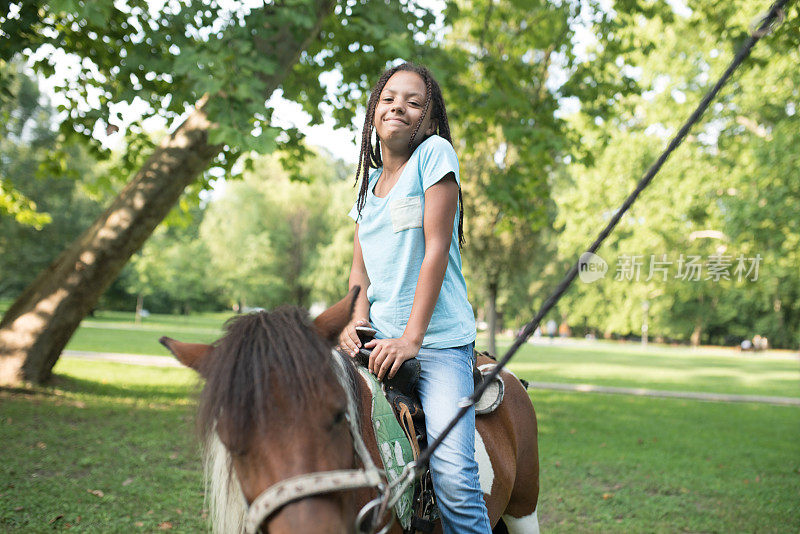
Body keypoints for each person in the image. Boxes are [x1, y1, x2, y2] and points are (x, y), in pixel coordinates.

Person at [337, 62, 490, 533]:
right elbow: (360, 270)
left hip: (438, 344)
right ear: (373, 112)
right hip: (379, 340)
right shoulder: (367, 184)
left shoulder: (434, 156)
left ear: (429, 117)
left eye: (414, 101)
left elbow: (436, 251)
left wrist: (411, 340)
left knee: (454, 477)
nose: (398, 106)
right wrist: (353, 320)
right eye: (388, 98)